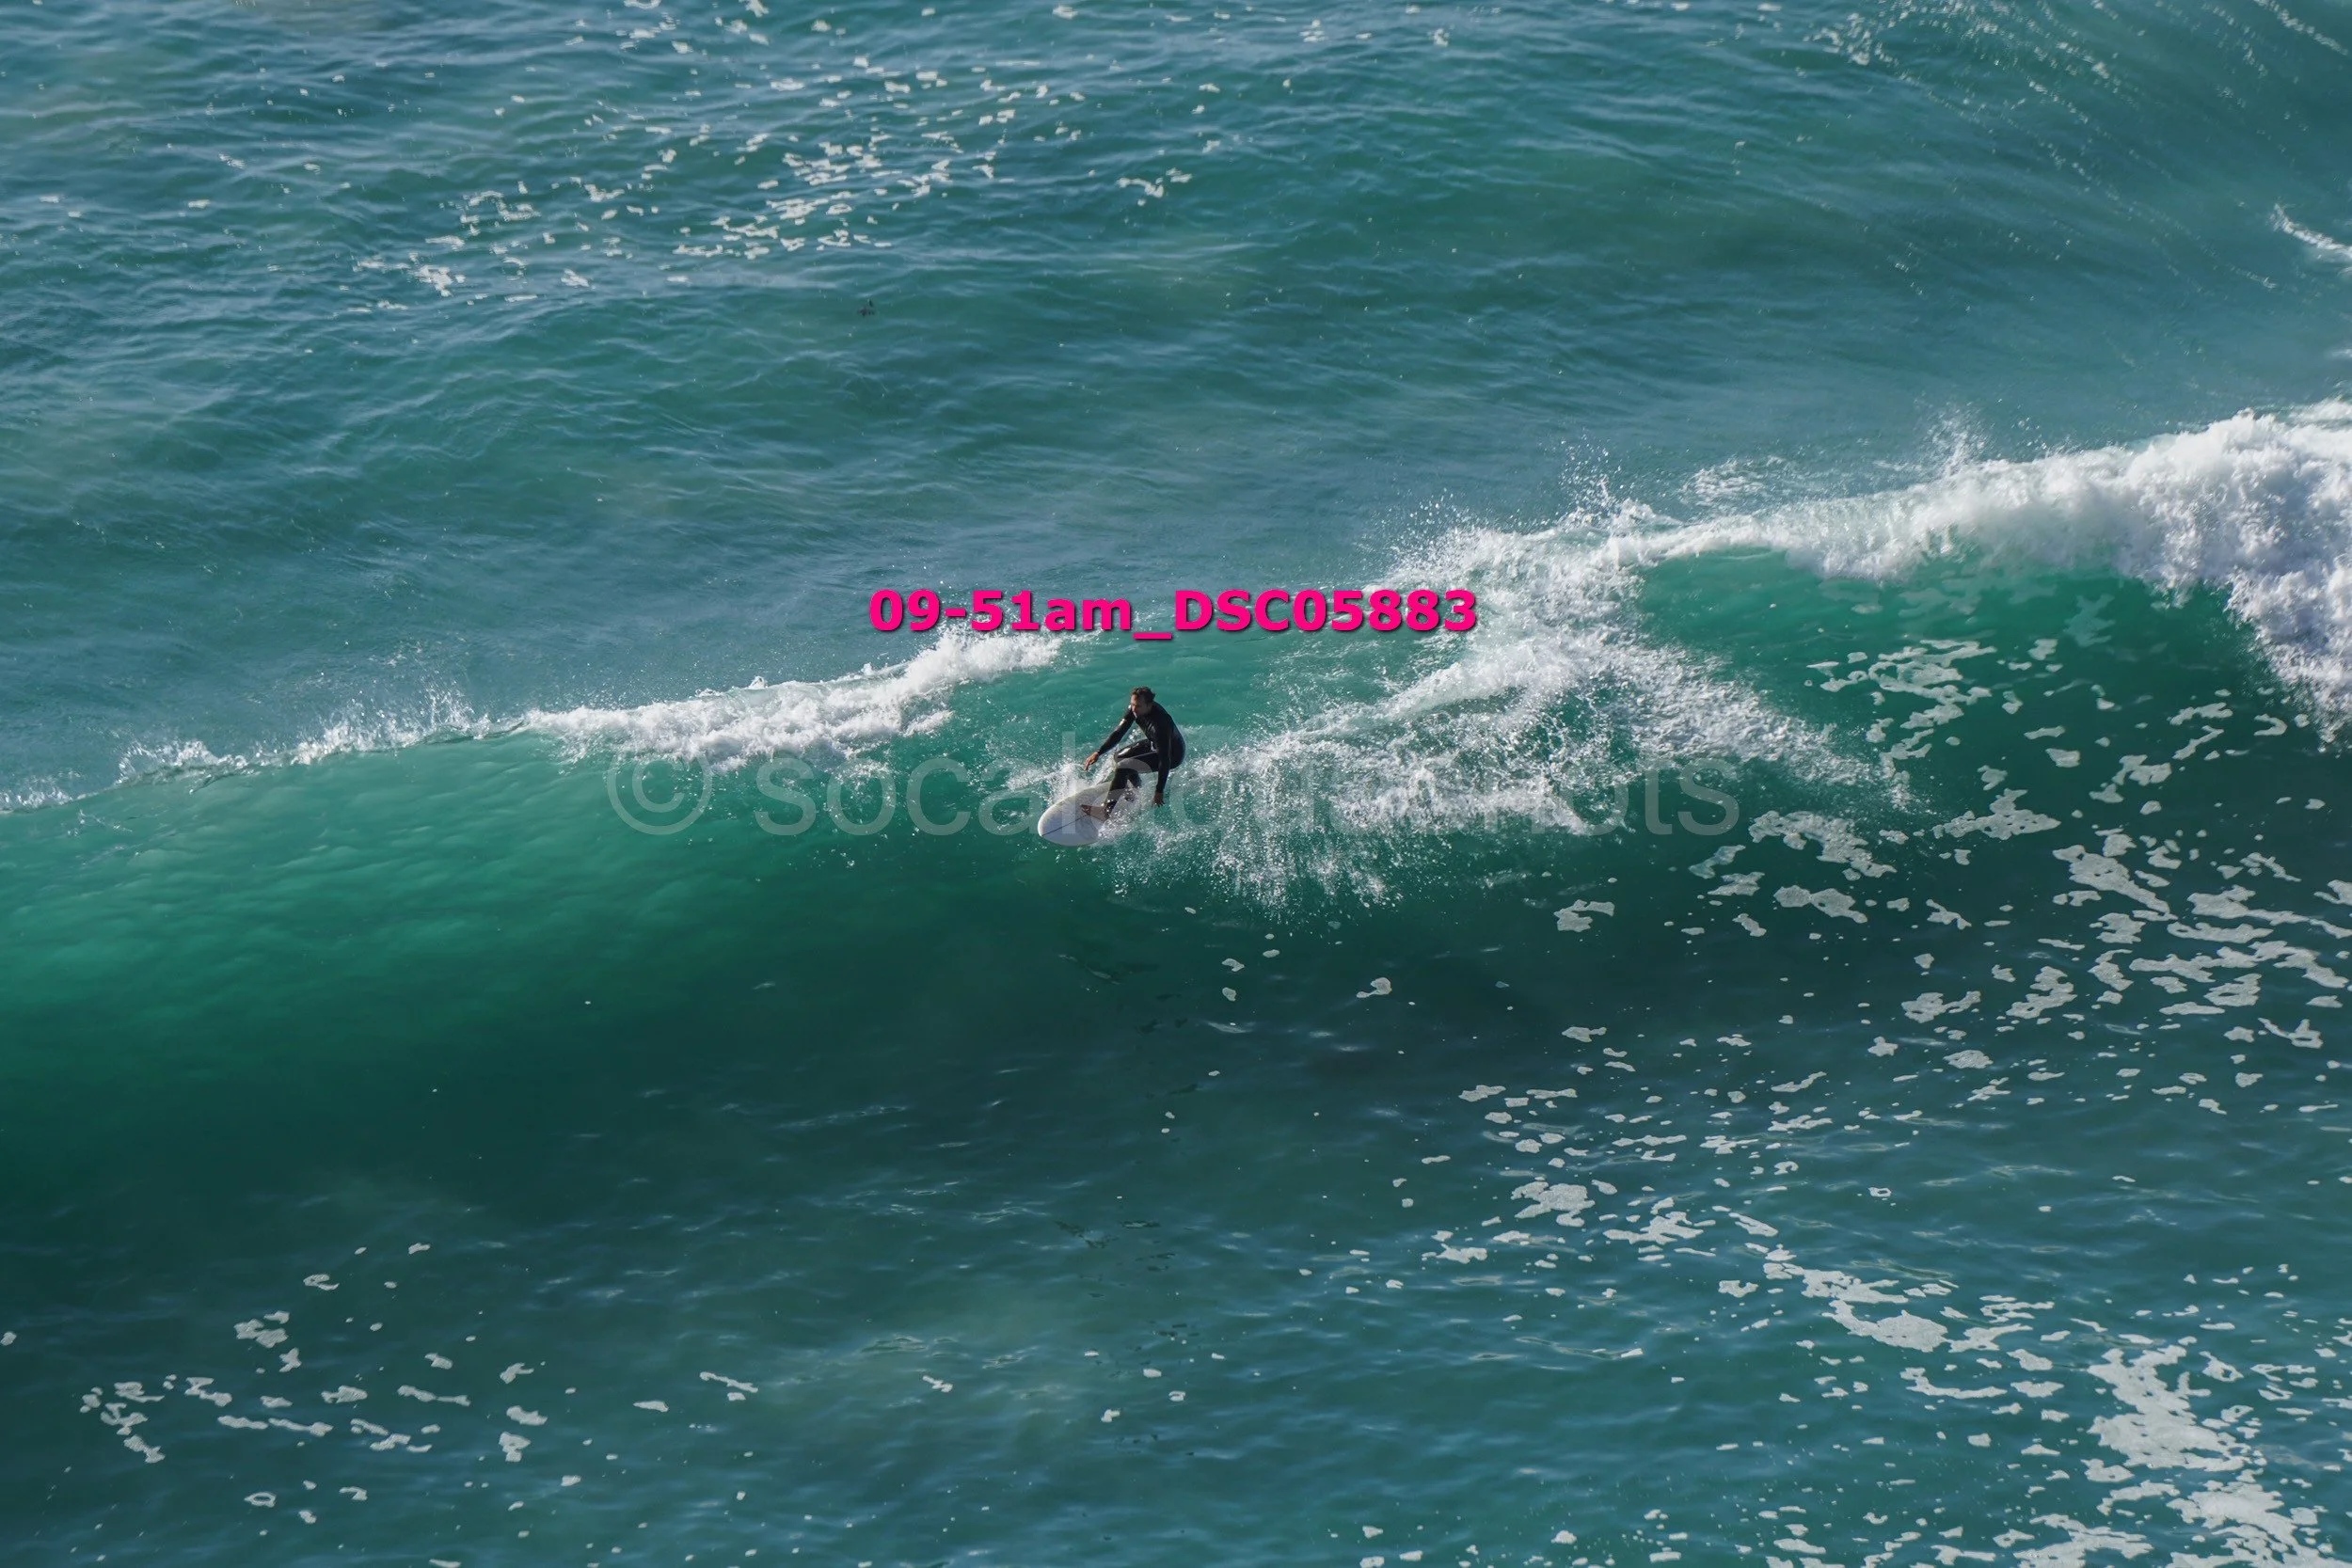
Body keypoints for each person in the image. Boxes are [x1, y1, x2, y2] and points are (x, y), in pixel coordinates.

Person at [1083, 687, 1184, 820]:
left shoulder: (1160, 724)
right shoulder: (1135, 709)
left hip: (1172, 755)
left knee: (1124, 767)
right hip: (1155, 744)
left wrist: (1159, 790)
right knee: (1119, 757)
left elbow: (1164, 760)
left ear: (1150, 705)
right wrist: (1098, 752)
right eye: (1132, 704)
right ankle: (1135, 792)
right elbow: (1119, 733)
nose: (1134, 709)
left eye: (1138, 706)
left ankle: (1105, 811)